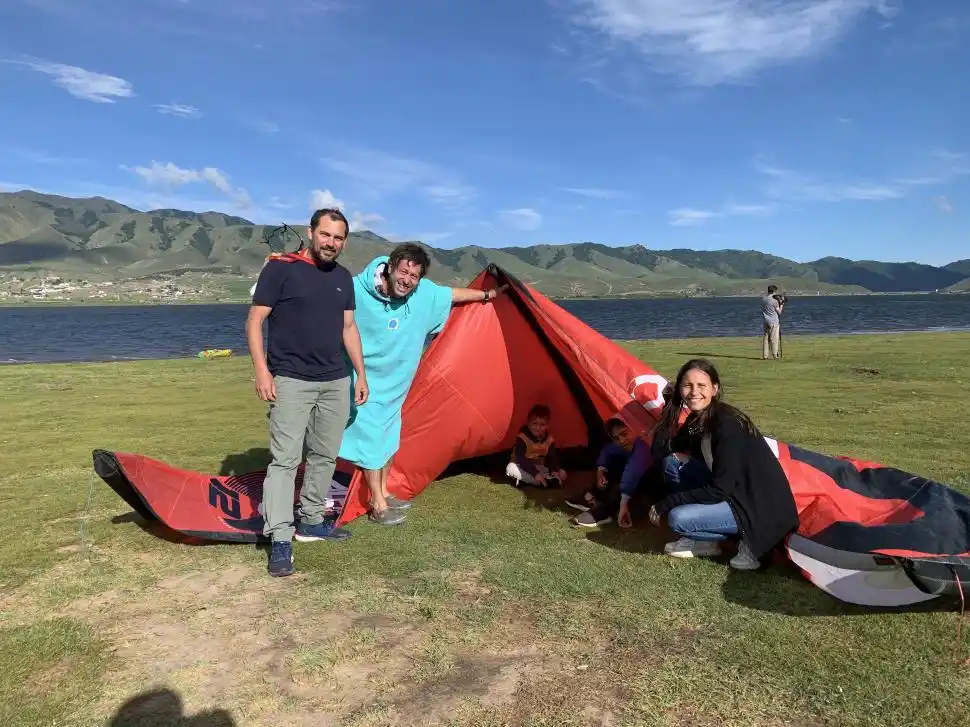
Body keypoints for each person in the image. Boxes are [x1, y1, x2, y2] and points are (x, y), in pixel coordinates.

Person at [338, 243, 505, 525]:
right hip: (362, 382)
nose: (407, 280)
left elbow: (451, 294)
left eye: (414, 276)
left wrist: (488, 294)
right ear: (390, 268)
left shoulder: (422, 294)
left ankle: (384, 492)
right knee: (372, 441)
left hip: (396, 389)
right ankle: (378, 505)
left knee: (388, 442)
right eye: (403, 273)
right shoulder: (355, 290)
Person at [246, 207, 368, 577]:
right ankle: (280, 537)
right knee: (284, 461)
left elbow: (348, 328)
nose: (331, 243)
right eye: (326, 235)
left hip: (334, 380)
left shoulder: (344, 278)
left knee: (324, 454)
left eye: (338, 238)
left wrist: (360, 375)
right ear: (311, 232)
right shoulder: (280, 269)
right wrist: (262, 372)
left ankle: (312, 518)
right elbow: (255, 322)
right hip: (291, 379)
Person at [647, 358, 799, 570]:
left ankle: (753, 543)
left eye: (701, 386)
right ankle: (705, 541)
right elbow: (663, 451)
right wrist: (668, 407)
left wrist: (668, 502)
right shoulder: (697, 420)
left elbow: (720, 489)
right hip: (732, 492)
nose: (694, 392)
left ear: (715, 388)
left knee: (677, 518)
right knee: (671, 464)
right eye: (687, 385)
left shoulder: (727, 424)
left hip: (759, 506)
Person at [568, 417, 654, 528]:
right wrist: (601, 473)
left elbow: (632, 472)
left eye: (624, 434)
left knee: (624, 485)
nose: (622, 440)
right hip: (628, 482)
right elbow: (607, 451)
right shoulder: (624, 445)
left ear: (633, 429)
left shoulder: (642, 447)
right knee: (614, 460)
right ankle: (595, 497)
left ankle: (606, 510)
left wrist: (623, 504)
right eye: (616, 438)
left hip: (646, 486)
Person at [506, 404, 568, 488]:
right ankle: (539, 482)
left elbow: (552, 458)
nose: (538, 428)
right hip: (521, 465)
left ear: (547, 426)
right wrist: (535, 474)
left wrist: (554, 470)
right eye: (534, 424)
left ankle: (539, 480)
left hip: (538, 467)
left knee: (561, 473)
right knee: (511, 468)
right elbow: (520, 458)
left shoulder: (549, 440)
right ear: (528, 423)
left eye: (542, 425)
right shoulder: (522, 437)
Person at [760, 285, 784, 360]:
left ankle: (765, 355)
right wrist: (782, 305)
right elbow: (779, 312)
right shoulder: (774, 301)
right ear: (774, 291)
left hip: (766, 321)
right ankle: (775, 355)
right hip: (774, 322)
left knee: (766, 339)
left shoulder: (763, 299)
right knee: (774, 339)